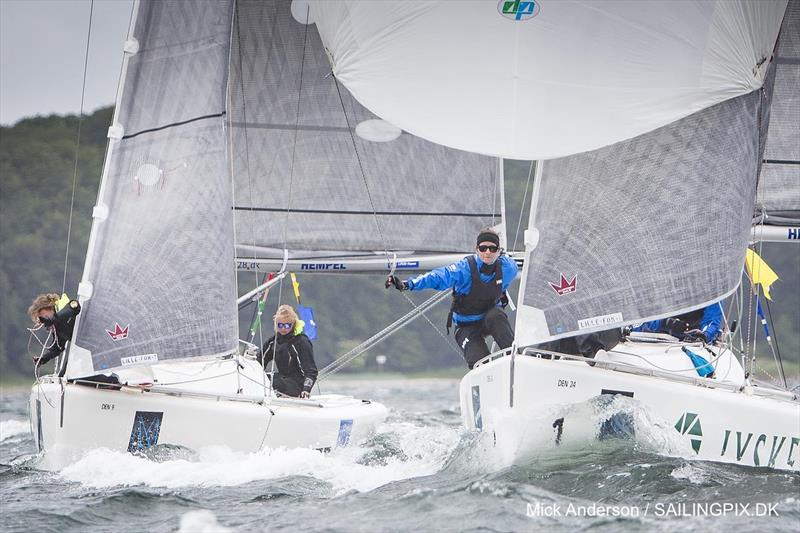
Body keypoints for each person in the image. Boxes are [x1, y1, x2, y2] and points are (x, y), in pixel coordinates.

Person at [385, 228, 519, 369]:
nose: (487, 252)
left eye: (492, 249)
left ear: (498, 251)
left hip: (489, 319)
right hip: (466, 326)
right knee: (480, 363)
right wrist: (407, 284)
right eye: (483, 248)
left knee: (496, 315)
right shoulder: (464, 269)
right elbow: (437, 276)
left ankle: (515, 360)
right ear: (477, 249)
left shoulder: (508, 269)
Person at [259, 304, 318, 398]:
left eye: (287, 325)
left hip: (297, 384)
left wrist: (306, 390)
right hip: (282, 379)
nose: (283, 329)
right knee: (263, 379)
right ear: (276, 324)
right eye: (280, 325)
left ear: (293, 324)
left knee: (276, 383)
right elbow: (259, 363)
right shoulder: (273, 342)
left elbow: (311, 372)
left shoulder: (301, 342)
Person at [27, 293, 81, 367]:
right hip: (90, 349)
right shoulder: (57, 327)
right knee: (64, 375)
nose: (45, 321)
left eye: (45, 317)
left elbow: (75, 308)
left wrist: (52, 320)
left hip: (99, 339)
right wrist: (44, 359)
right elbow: (58, 347)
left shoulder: (70, 306)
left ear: (50, 308)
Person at [633, 303, 723, 344]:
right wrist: (664, 323)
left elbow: (712, 321)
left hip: (691, 344)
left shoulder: (711, 290)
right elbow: (636, 322)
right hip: (647, 339)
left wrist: (705, 335)